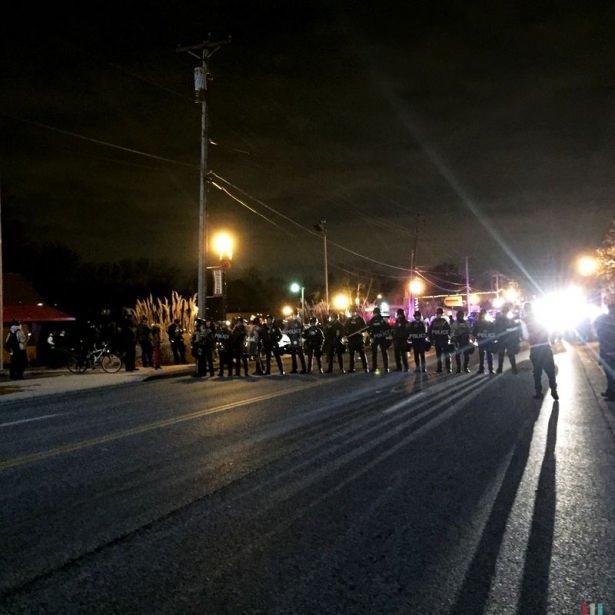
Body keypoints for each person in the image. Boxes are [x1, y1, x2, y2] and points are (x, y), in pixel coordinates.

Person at [522, 302, 558, 400]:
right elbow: (551, 329)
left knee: (537, 372)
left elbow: (525, 336)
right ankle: (554, 390)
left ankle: (539, 392)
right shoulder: (541, 316)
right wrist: (551, 340)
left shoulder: (524, 321)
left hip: (535, 348)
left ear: (525, 310)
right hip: (545, 346)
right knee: (551, 371)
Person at [595, 300, 615, 401]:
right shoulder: (606, 321)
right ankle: (610, 391)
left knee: (611, 374)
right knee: (609, 374)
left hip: (611, 353)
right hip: (606, 353)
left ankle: (612, 394)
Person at [473, 309, 496, 374]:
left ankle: (489, 369)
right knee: (483, 356)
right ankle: (484, 369)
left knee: (488, 355)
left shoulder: (488, 323)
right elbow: (474, 332)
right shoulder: (478, 323)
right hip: (482, 341)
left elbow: (493, 331)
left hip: (486, 341)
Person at [429, 307, 452, 373]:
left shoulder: (444, 321)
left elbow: (449, 330)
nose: (438, 314)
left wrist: (449, 337)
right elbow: (430, 331)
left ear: (441, 314)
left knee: (446, 355)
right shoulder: (434, 321)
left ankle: (448, 368)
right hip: (437, 341)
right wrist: (431, 339)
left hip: (444, 340)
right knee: (438, 355)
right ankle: (440, 368)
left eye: (439, 313)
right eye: (438, 313)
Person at [368, 307, 390, 372]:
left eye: (375, 313)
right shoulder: (375, 320)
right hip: (377, 338)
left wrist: (383, 334)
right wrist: (371, 335)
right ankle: (379, 367)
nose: (374, 314)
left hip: (381, 338)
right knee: (377, 353)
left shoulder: (381, 320)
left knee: (382, 352)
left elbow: (387, 328)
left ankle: (384, 367)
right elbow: (369, 328)